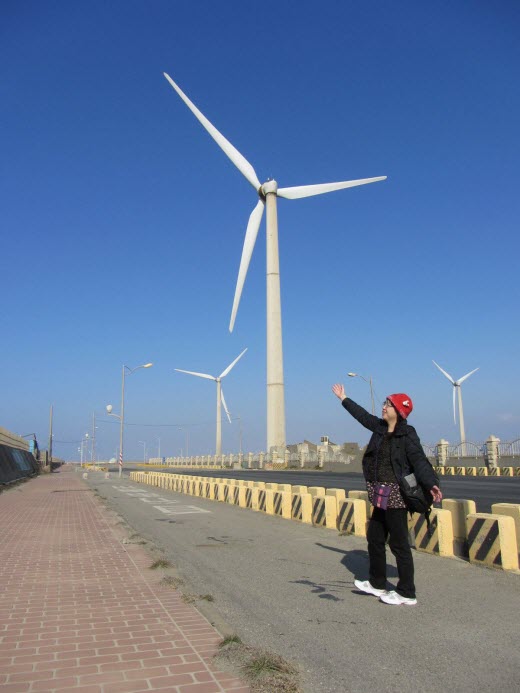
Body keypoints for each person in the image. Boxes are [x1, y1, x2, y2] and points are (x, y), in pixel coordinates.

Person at [332, 383, 442, 606]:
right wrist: (344, 399)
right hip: (382, 493)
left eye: (388, 405)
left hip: (397, 495)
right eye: (384, 403)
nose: (384, 407)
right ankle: (377, 582)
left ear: (399, 411)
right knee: (375, 537)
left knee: (399, 544)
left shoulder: (406, 434)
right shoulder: (380, 428)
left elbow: (419, 461)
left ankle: (406, 592)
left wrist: (431, 483)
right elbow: (362, 416)